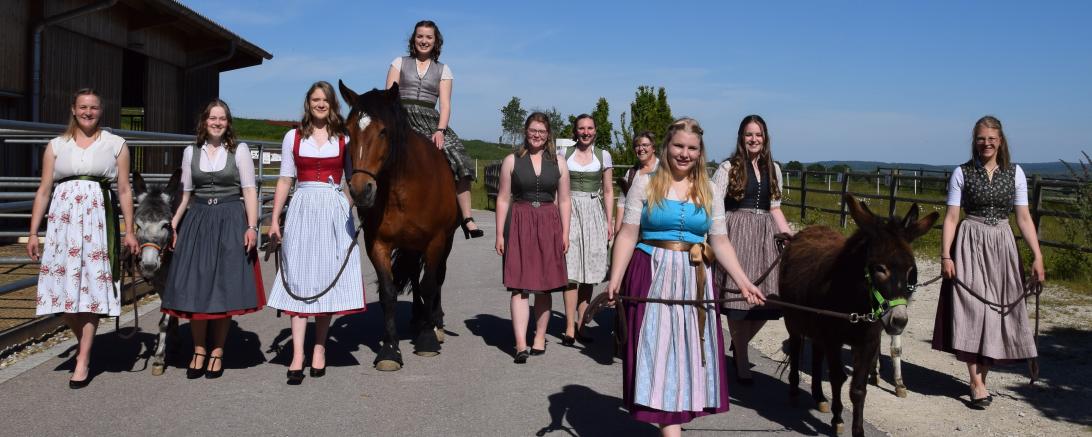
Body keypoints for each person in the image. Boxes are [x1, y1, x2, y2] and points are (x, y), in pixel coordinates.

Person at [607, 118, 763, 436]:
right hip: (651, 274)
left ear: (700, 152)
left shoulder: (708, 188)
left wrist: (744, 281)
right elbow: (627, 233)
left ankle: (672, 423)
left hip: (694, 280)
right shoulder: (646, 181)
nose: (684, 153)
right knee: (657, 351)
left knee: (684, 356)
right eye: (678, 146)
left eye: (692, 148)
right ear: (667, 147)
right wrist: (615, 278)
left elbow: (719, 240)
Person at [27, 88, 139, 389]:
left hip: (97, 221)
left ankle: (83, 357)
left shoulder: (115, 144)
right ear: (73, 110)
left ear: (101, 111)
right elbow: (44, 190)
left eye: (94, 107)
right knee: (62, 291)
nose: (88, 112)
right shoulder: (56, 145)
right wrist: (34, 231)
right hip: (62, 224)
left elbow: (125, 190)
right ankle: (84, 342)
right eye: (83, 107)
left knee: (91, 286)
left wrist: (129, 231)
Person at [932, 115, 1044, 409]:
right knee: (972, 310)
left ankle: (983, 374)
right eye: (982, 138)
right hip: (970, 240)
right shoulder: (962, 173)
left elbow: (1023, 217)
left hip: (1002, 244)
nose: (987, 143)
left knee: (998, 311)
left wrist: (1038, 255)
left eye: (992, 138)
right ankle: (975, 381)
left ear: (1001, 141)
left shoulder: (1015, 173)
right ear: (975, 141)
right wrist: (946, 255)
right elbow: (952, 217)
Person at [266, 82, 366, 385]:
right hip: (303, 207)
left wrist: (344, 204)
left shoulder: (344, 139)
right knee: (298, 277)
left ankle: (319, 348)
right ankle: (298, 354)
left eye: (325, 100)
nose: (320, 104)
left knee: (325, 276)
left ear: (332, 105)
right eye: (315, 100)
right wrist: (274, 220)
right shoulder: (293, 137)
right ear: (308, 103)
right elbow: (285, 179)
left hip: (332, 210)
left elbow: (353, 178)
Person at [162, 99, 265, 380]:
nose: (217, 122)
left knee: (223, 286)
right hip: (197, 219)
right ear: (204, 122)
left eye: (222, 118)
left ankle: (217, 350)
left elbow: (250, 190)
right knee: (196, 286)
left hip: (231, 218)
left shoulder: (239, 151)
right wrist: (172, 225)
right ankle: (198, 350)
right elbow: (185, 195)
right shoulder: (190, 152)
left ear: (228, 123)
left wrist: (252, 227)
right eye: (212, 118)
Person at [711, 115, 792, 384]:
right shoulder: (727, 167)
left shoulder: (774, 169)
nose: (754, 139)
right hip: (736, 233)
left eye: (758, 134)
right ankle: (742, 361)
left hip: (766, 236)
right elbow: (715, 205)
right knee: (737, 302)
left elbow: (776, 208)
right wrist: (718, 234)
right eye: (749, 134)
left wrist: (791, 237)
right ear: (741, 137)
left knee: (769, 301)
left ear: (765, 138)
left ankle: (740, 344)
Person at [385, 20, 482, 239]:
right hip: (401, 115)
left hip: (431, 119)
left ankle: (467, 217)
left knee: (460, 159)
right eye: (420, 36)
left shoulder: (444, 70)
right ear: (413, 39)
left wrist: (440, 130)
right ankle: (364, 206)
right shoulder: (398, 62)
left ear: (435, 41)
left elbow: (445, 105)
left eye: (429, 37)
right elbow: (389, 97)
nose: (424, 41)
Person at [494, 112, 571, 363]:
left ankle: (539, 336)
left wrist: (565, 232)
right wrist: (499, 234)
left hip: (549, 223)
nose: (537, 135)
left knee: (545, 285)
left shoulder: (559, 162)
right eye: (533, 130)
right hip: (519, 221)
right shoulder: (511, 161)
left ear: (548, 134)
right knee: (518, 285)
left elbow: (565, 200)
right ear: (526, 132)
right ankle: (520, 344)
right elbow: (503, 198)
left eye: (542, 131)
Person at [560, 114, 613, 346]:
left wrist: (609, 221)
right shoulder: (565, 154)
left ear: (595, 130)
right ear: (576, 131)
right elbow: (558, 189)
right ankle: (569, 326)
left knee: (589, 272)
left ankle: (583, 322)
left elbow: (609, 190)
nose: (585, 132)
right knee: (571, 270)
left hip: (593, 212)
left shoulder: (603, 155)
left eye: (590, 128)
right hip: (570, 210)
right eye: (581, 128)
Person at [614, 131, 659, 233]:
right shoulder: (631, 174)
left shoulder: (664, 170)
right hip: (634, 229)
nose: (641, 149)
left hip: (657, 228)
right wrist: (617, 231)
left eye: (645, 145)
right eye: (637, 146)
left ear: (653, 148)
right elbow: (622, 204)